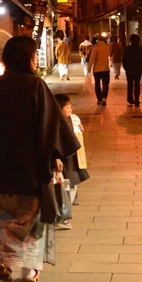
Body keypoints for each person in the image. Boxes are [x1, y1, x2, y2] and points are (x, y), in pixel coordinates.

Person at [0, 36, 81, 282]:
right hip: (29, 166)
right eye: (34, 53)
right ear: (25, 57)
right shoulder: (34, 85)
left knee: (7, 215)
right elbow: (51, 125)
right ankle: (25, 270)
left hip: (0, 164)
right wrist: (57, 155)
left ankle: (5, 260)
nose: (37, 57)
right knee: (30, 218)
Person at [53, 94, 90, 230]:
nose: (71, 110)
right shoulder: (55, 123)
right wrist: (56, 158)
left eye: (70, 107)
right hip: (64, 160)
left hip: (72, 160)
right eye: (67, 107)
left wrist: (79, 131)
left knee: (71, 186)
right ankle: (61, 216)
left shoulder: (70, 120)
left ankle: (62, 215)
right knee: (66, 187)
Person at [122, 34, 142, 107]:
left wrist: (125, 68)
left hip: (129, 69)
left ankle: (130, 99)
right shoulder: (140, 49)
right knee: (137, 85)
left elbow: (124, 59)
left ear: (130, 40)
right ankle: (137, 100)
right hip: (137, 70)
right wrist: (140, 67)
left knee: (130, 84)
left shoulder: (127, 49)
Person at [87, 35, 111, 106]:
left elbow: (92, 59)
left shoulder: (96, 47)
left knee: (97, 84)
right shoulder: (107, 47)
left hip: (97, 69)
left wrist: (89, 69)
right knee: (105, 84)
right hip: (106, 69)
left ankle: (99, 99)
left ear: (98, 40)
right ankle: (104, 97)